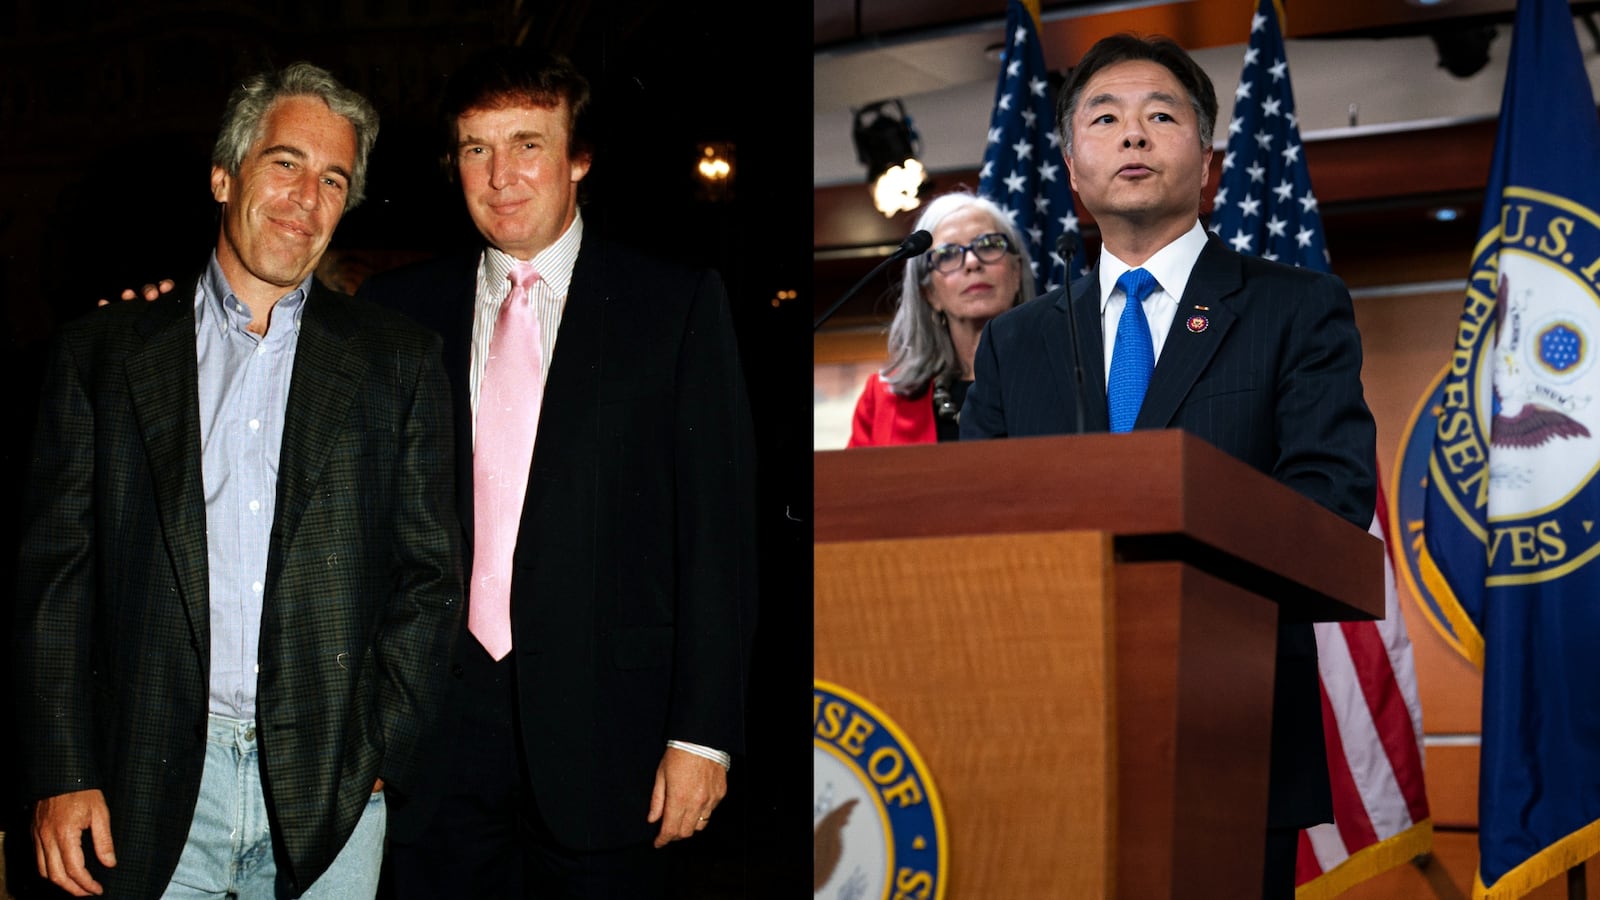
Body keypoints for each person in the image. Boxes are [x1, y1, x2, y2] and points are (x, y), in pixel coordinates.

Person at [13, 62, 462, 899]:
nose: (307, 198)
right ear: (225, 175)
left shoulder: (395, 362)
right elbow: (57, 585)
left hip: (331, 795)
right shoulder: (102, 359)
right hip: (138, 787)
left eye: (334, 179)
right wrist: (61, 768)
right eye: (285, 163)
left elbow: (430, 578)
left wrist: (379, 756)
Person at [959, 33, 1377, 900]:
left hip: (1230, 724)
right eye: (1105, 119)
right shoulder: (1017, 342)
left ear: (1209, 160)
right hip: (1045, 728)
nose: (1134, 135)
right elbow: (972, 537)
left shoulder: (1294, 309)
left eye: (1161, 115)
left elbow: (1330, 502)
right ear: (1074, 172)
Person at [353, 47, 757, 899]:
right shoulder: (396, 315)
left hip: (615, 741)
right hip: (435, 744)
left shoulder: (673, 308)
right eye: (475, 148)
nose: (500, 176)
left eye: (527, 144)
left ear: (578, 158)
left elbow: (718, 540)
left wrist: (704, 736)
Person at [846, 190, 1035, 446]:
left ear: (1016, 272)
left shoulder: (1065, 376)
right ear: (929, 293)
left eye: (989, 245)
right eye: (948, 254)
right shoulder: (881, 399)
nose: (971, 262)